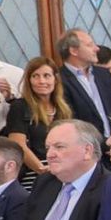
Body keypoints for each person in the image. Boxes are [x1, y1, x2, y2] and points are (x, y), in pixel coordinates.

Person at [6, 56, 72, 189]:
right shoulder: (20, 107)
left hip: (64, 172)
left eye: (47, 75)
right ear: (29, 81)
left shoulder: (63, 109)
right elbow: (18, 145)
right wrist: (42, 169)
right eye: (35, 76)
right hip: (34, 174)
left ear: (55, 79)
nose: (42, 81)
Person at [57, 28, 111, 136]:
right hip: (85, 145)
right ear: (74, 51)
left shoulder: (103, 74)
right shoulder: (59, 80)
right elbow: (70, 121)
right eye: (90, 45)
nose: (97, 48)